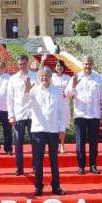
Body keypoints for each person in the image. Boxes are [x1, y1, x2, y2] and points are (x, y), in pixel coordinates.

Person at [24, 67, 68, 196]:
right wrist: (26, 91)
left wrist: (62, 129)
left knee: (54, 160)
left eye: (46, 76)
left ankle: (56, 186)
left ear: (50, 77)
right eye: (42, 76)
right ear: (39, 77)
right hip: (38, 129)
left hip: (53, 130)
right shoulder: (34, 90)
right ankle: (38, 186)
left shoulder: (57, 91)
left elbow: (61, 111)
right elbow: (26, 103)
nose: (44, 78)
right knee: (38, 160)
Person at [66, 55, 102, 174]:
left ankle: (93, 165)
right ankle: (81, 166)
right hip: (80, 115)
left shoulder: (98, 78)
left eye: (89, 63)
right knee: (80, 142)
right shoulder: (75, 77)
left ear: (92, 64)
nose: (87, 66)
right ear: (82, 64)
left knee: (94, 142)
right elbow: (67, 94)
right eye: (85, 64)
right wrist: (73, 85)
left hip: (94, 115)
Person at [7, 55, 38, 176]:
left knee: (35, 142)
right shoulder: (13, 79)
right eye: (20, 64)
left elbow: (40, 94)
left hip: (32, 114)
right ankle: (19, 168)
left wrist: (29, 90)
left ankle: (35, 166)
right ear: (17, 64)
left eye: (24, 64)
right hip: (19, 114)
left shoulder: (35, 76)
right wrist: (11, 115)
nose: (22, 66)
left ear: (27, 63)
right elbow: (10, 99)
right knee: (18, 143)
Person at [51, 59, 71, 154]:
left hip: (64, 104)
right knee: (54, 124)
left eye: (61, 66)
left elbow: (71, 90)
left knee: (63, 125)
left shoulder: (68, 78)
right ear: (55, 67)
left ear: (63, 67)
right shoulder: (51, 77)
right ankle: (54, 145)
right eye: (57, 66)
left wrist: (66, 93)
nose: (59, 67)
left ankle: (62, 145)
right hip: (54, 104)